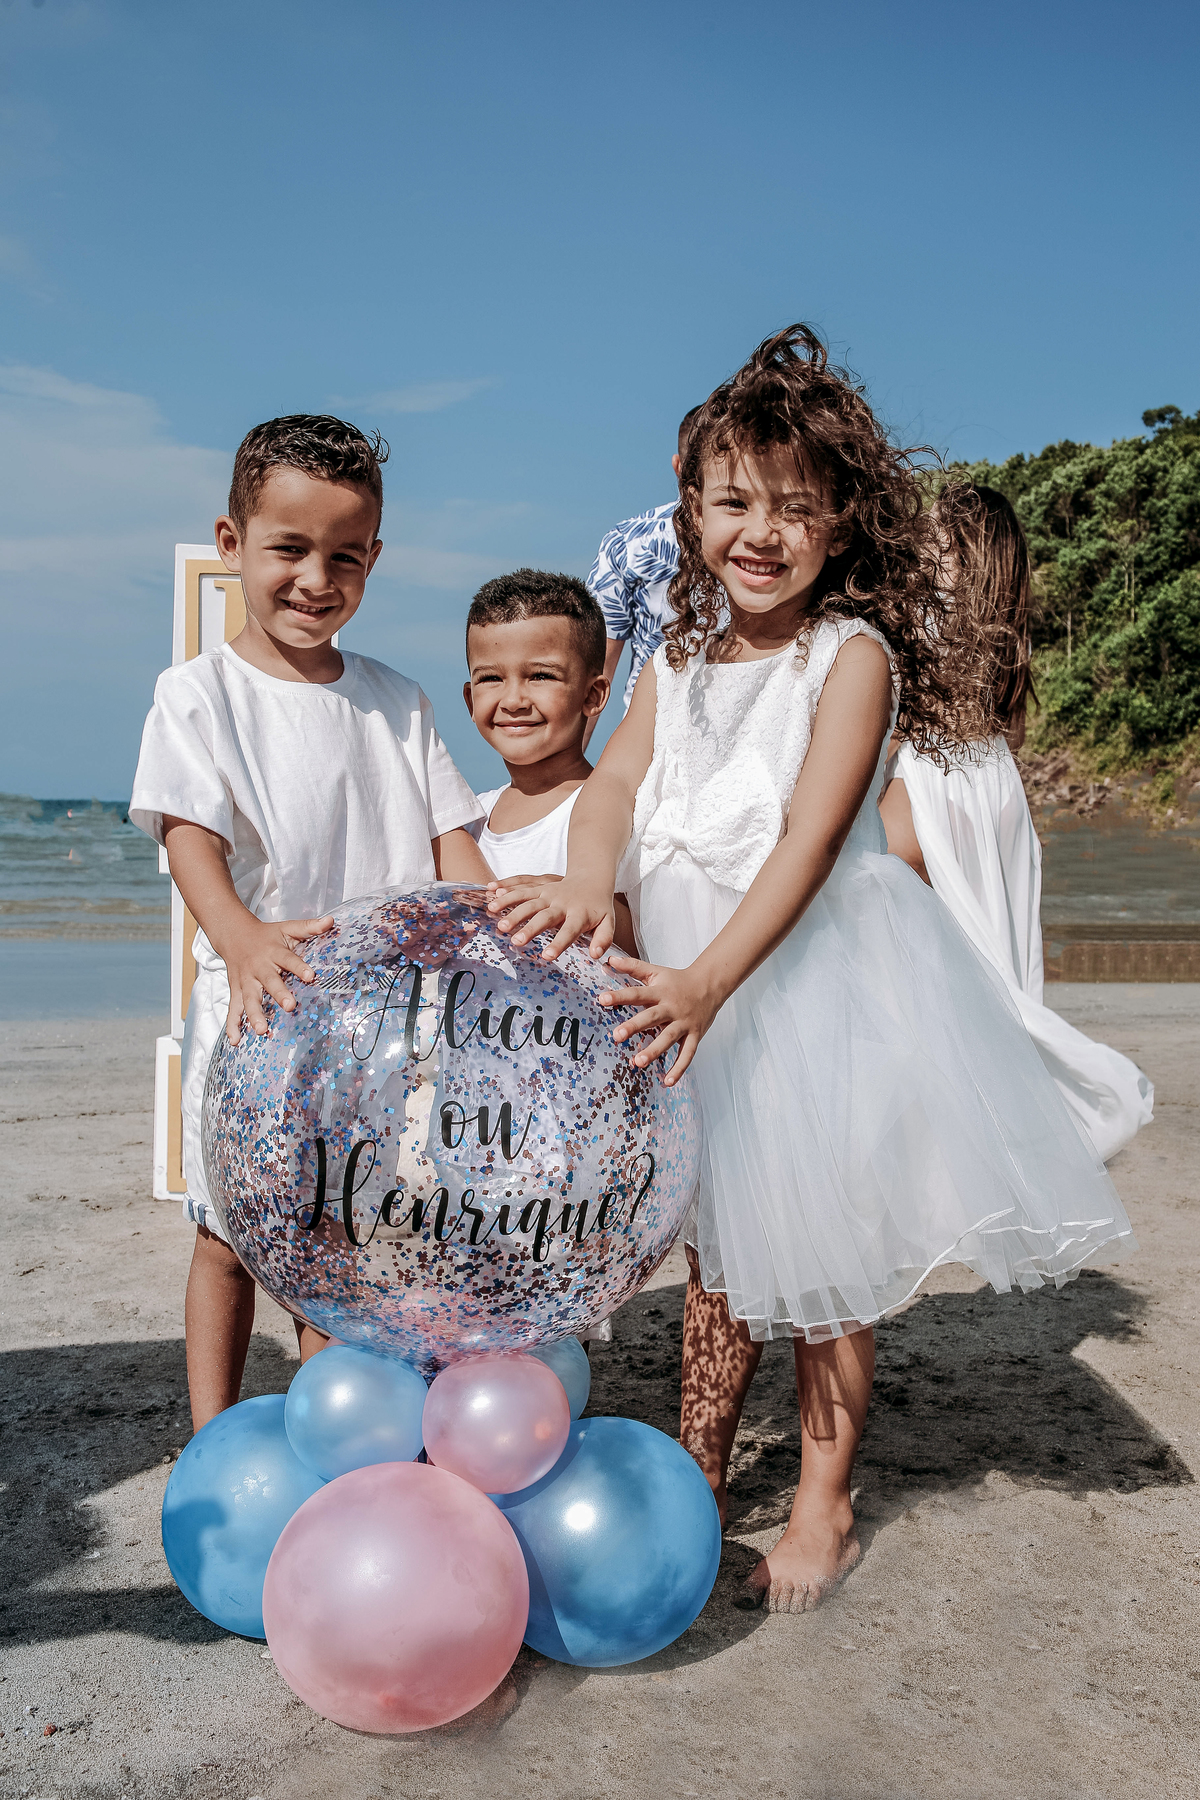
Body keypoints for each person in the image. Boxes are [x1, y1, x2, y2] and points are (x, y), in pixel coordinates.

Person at [488, 326, 1134, 1615]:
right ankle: (699, 1466)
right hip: (684, 987)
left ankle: (825, 1500)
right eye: (734, 503)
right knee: (719, 1238)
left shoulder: (851, 658)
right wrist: (587, 878)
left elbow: (812, 840)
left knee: (823, 1245)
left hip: (798, 983)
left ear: (843, 522)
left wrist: (709, 982)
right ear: (693, 512)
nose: (761, 532)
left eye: (794, 506)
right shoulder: (674, 659)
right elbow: (613, 786)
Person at [130, 415, 489, 1432]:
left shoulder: (398, 702)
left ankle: (331, 1428)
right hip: (260, 1004)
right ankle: (211, 1429)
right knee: (229, 1230)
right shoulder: (198, 695)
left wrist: (495, 926)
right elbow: (188, 836)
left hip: (379, 1026)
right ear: (232, 543)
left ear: (373, 558)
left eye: (345, 556)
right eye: (289, 549)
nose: (315, 579)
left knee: (338, 1229)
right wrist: (241, 936)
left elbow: (453, 846)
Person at [878, 483, 1153, 1162]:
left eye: (936, 538)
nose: (921, 545)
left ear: (964, 551)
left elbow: (897, 715)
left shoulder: (924, 614)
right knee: (986, 948)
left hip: (939, 772)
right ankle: (995, 1109)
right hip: (991, 779)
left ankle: (951, 1118)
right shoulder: (1000, 630)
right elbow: (1014, 730)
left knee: (896, 913)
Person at [462, 565, 638, 1342]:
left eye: (541, 675)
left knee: (542, 1296)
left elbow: (641, 932)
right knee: (472, 1270)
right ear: (468, 695)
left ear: (594, 694)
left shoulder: (606, 816)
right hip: (473, 1096)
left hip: (567, 1102)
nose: (514, 698)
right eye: (491, 678)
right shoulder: (465, 819)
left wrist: (581, 903)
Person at [584, 404, 702, 741]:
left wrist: (572, 768)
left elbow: (594, 671)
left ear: (678, 466)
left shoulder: (628, 541)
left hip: (644, 737)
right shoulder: (769, 544)